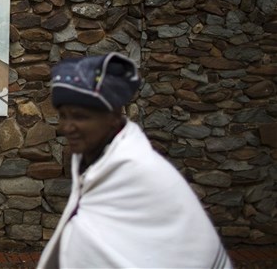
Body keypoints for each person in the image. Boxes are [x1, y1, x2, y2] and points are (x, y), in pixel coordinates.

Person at [36, 52, 232, 268]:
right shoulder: (97, 161)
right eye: (63, 116)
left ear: (113, 117)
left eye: (79, 116)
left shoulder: (140, 170)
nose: (65, 127)